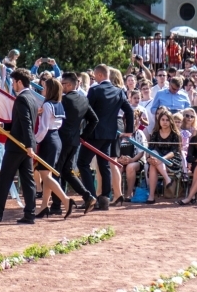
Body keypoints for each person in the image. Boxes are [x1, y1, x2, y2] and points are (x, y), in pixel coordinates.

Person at [0, 68, 39, 224]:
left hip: (18, 146)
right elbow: (21, 122)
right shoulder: (31, 98)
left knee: (5, 178)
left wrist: (28, 146)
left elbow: (26, 123)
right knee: (28, 180)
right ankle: (30, 213)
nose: (12, 85)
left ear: (19, 82)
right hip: (25, 145)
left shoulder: (21, 99)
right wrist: (5, 125)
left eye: (13, 82)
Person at [78, 64, 134, 210]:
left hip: (94, 134)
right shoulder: (119, 91)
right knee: (104, 165)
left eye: (95, 76)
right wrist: (129, 130)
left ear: (100, 75)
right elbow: (129, 111)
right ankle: (104, 199)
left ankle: (90, 197)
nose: (94, 79)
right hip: (110, 135)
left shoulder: (95, 90)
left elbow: (86, 110)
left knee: (82, 163)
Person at [32, 77, 79, 217]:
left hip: (48, 140)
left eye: (45, 87)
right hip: (56, 139)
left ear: (50, 89)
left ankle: (66, 200)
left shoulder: (47, 105)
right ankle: (44, 206)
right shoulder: (58, 103)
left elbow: (44, 129)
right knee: (47, 174)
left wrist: (34, 141)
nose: (43, 89)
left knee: (45, 176)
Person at [146, 108, 181, 204]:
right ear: (159, 121)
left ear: (171, 121)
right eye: (162, 119)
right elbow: (151, 148)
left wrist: (162, 159)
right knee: (153, 163)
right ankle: (166, 180)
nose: (165, 122)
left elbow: (174, 151)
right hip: (157, 159)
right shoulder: (155, 133)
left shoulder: (175, 134)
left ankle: (151, 196)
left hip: (172, 160)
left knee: (155, 162)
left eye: (167, 120)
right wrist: (150, 158)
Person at [120, 110, 148, 201]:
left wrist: (132, 160)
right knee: (117, 166)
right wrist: (120, 159)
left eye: (134, 119)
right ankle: (117, 194)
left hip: (136, 160)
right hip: (121, 159)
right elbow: (114, 150)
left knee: (130, 167)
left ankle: (129, 193)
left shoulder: (139, 133)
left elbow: (141, 152)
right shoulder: (119, 133)